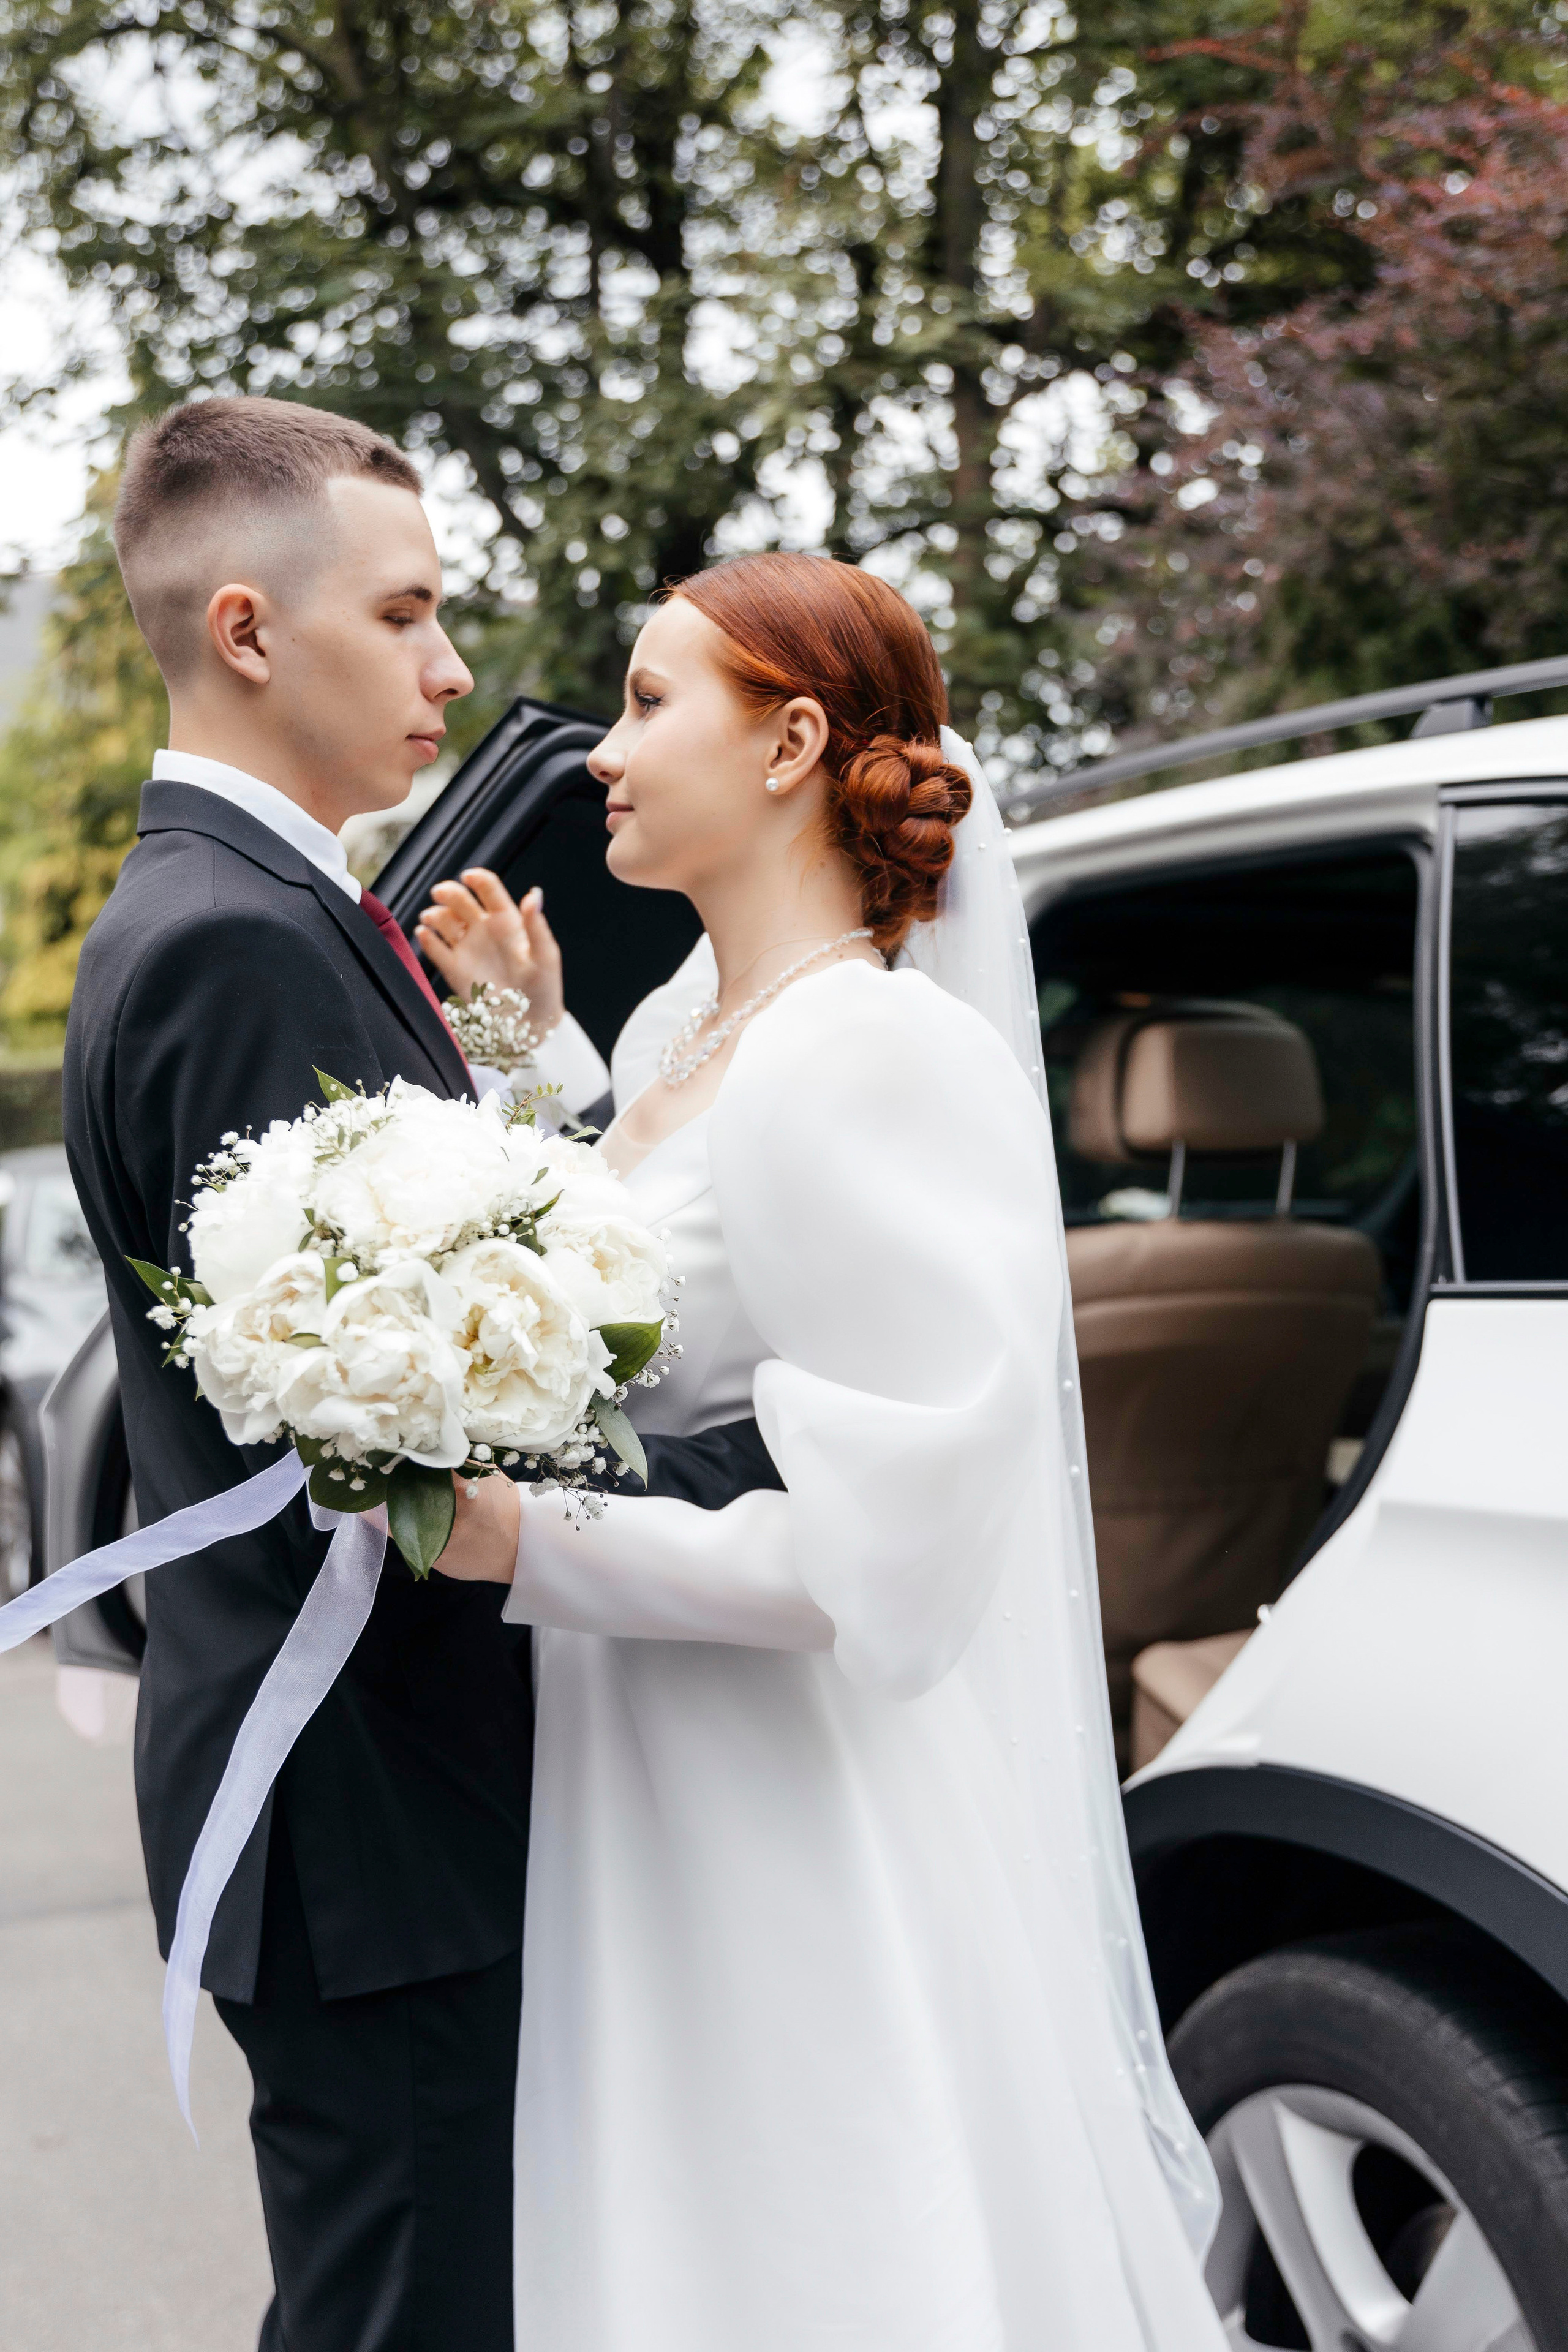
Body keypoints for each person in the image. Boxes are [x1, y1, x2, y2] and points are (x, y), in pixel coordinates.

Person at [432, 551, 1230, 2350]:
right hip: (640, 1759)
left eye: (649, 704)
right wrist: (526, 1061)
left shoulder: (875, 1051)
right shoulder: (677, 1034)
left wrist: (526, 1540)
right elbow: (664, 1289)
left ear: (791, 744)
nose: (601, 754)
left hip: (784, 1796)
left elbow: (898, 1550)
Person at [63, 394, 778, 2352]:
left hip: (368, 1800)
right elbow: (381, 1429)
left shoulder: (265, 908)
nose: (452, 667)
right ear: (245, 630)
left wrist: (520, 1061)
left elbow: (431, 1309)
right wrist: (763, 1478)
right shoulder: (235, 941)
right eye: (405, 613)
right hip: (372, 1813)